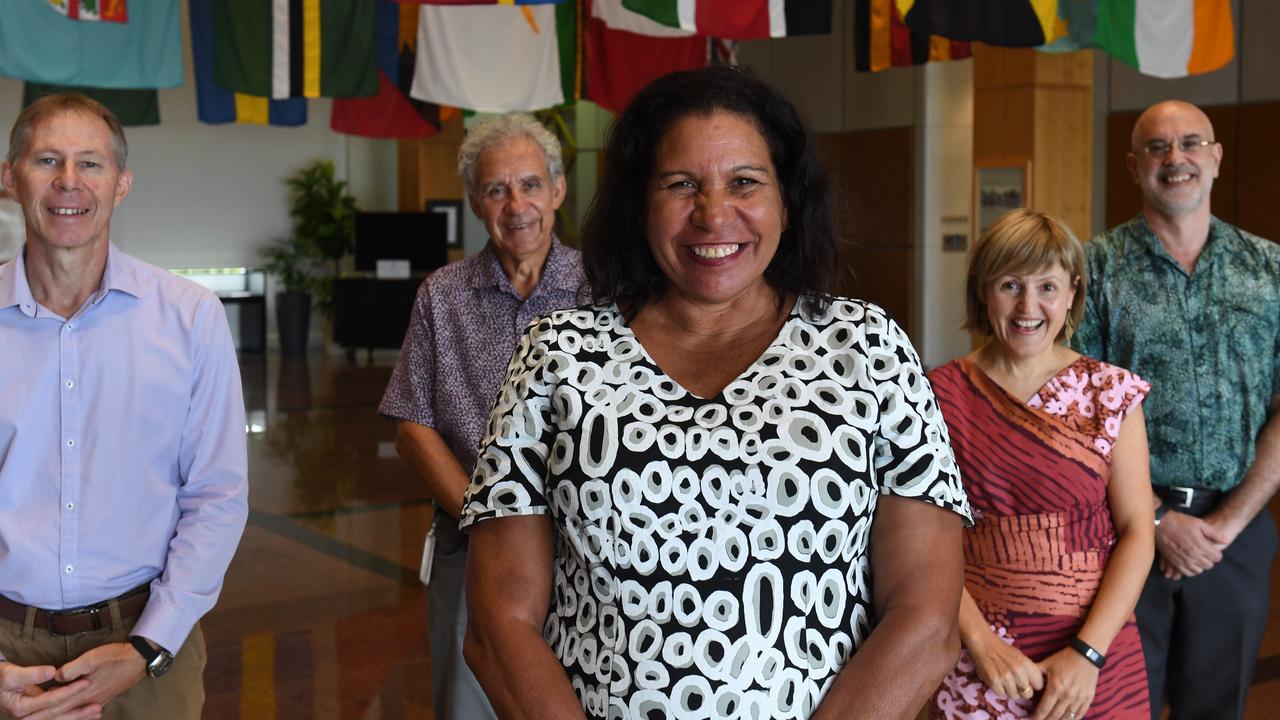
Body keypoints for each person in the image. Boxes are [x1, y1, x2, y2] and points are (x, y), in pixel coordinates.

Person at [459, 65, 973, 720]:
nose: (712, 213)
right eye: (680, 185)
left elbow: (926, 621)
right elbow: (498, 626)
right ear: (640, 204)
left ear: (787, 201)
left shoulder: (869, 351)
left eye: (744, 183)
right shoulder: (557, 356)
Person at [0, 95, 248, 719]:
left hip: (145, 646)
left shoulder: (190, 317)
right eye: (47, 160)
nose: (68, 182)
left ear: (121, 184)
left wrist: (148, 645)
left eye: (91, 164)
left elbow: (216, 496)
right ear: (9, 177)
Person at [1073, 100, 1280, 720]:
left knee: (1217, 709)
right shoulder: (1093, 269)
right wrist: (1159, 521)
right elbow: (1080, 414)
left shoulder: (1270, 271)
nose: (1176, 159)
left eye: (1191, 143)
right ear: (1135, 167)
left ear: (1215, 159)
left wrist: (1231, 523)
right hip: (1121, 533)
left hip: (1234, 535)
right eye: (1158, 149)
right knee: (1118, 707)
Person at [378, 113, 585, 720]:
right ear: (475, 202)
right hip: (471, 542)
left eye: (530, 185)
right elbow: (413, 426)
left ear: (558, 190)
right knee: (469, 702)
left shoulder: (608, 291)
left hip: (587, 545)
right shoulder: (442, 294)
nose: (516, 204)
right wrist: (486, 518)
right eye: (497, 189)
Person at [928, 209, 1155, 720]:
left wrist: (1087, 654)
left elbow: (1138, 530)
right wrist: (981, 643)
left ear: (1073, 292)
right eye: (1010, 284)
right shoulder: (934, 396)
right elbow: (923, 543)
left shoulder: (1112, 393)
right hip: (981, 655)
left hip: (1095, 652)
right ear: (982, 291)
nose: (1029, 306)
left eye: (1047, 286)